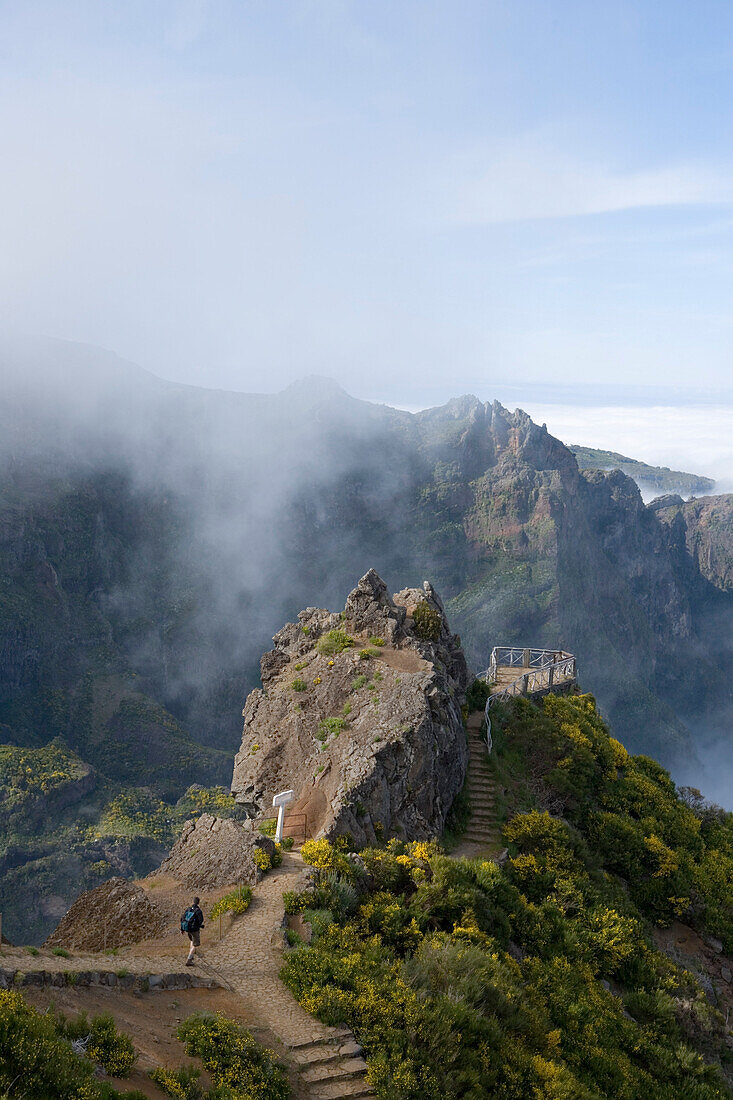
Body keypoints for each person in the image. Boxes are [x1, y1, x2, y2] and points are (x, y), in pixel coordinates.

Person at [180, 896, 204, 966]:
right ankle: (189, 960)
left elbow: (182, 918)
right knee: (195, 945)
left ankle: (191, 954)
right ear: (198, 903)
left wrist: (182, 929)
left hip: (187, 928)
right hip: (194, 930)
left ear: (193, 902)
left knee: (191, 941)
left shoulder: (188, 909)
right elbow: (201, 920)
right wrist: (198, 926)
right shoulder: (198, 911)